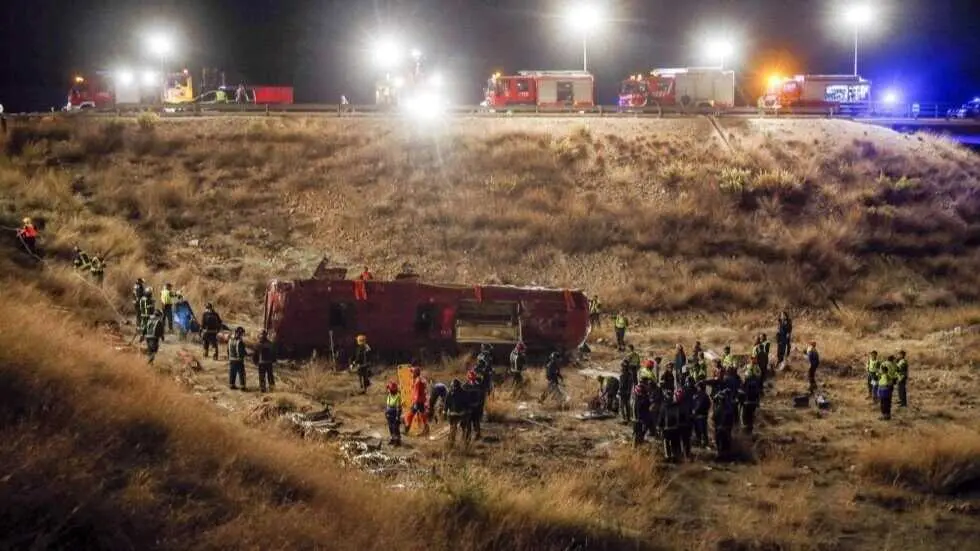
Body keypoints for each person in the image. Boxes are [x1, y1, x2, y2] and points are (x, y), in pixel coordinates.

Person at [658, 389, 684, 462]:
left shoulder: (664, 406)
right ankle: (676, 455)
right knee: (675, 442)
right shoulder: (676, 406)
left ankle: (668, 456)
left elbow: (661, 417)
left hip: (667, 428)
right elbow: (681, 416)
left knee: (666, 442)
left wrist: (659, 426)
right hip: (675, 427)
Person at [404, 366, 431, 436]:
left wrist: (415, 402)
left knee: (410, 415)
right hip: (421, 400)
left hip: (418, 401)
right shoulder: (421, 379)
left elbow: (417, 392)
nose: (412, 374)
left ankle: (407, 430)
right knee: (422, 415)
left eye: (413, 372)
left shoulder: (418, 381)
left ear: (416, 373)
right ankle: (426, 430)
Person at [444, 379, 471, 446]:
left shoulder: (460, 393)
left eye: (455, 386)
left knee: (461, 428)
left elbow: (467, 403)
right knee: (455, 428)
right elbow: (447, 403)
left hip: (459, 414)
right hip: (456, 414)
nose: (455, 387)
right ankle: (453, 442)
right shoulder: (451, 393)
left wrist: (445, 411)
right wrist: (445, 411)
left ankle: (462, 442)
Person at [712, 388, 736, 459]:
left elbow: (714, 418)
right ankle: (726, 454)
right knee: (726, 442)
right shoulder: (729, 407)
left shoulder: (719, 408)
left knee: (720, 441)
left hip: (721, 428)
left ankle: (721, 454)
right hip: (726, 428)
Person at [463, 370, 486, 439]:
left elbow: (482, 398)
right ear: (468, 377)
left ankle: (477, 435)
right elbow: (462, 397)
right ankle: (468, 437)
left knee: (476, 422)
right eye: (470, 376)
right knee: (468, 423)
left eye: (473, 375)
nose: (472, 377)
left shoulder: (478, 386)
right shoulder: (465, 386)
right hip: (468, 407)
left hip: (476, 407)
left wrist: (481, 406)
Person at [740, 364, 762, 434]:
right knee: (751, 416)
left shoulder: (746, 383)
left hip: (747, 403)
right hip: (754, 403)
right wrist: (758, 402)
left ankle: (746, 429)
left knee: (744, 416)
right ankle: (750, 429)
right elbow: (758, 392)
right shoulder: (756, 382)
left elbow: (742, 391)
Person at [691, 382, 712, 448]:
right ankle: (701, 442)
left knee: (701, 430)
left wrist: (695, 410)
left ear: (700, 387)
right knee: (701, 430)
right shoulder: (703, 395)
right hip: (701, 415)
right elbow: (708, 404)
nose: (697, 388)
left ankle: (703, 443)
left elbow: (699, 404)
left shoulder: (702, 395)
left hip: (700, 416)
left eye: (697, 387)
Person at [632, 379, 652, 446]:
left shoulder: (635, 399)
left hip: (637, 418)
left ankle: (635, 445)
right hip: (641, 418)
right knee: (639, 432)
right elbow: (647, 407)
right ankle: (638, 444)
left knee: (636, 433)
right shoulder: (644, 399)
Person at [878, 355, 898, 420]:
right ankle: (887, 414)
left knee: (883, 402)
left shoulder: (883, 364)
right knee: (888, 401)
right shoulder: (894, 365)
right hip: (889, 385)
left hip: (884, 389)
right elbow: (896, 372)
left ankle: (885, 415)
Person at [385, 382, 403, 446]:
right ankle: (392, 439)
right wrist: (386, 413)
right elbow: (387, 405)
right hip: (389, 413)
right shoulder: (389, 395)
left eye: (390, 389)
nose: (389, 390)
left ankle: (398, 441)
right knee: (390, 427)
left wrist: (397, 416)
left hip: (395, 413)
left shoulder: (398, 396)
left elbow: (398, 407)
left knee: (395, 428)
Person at [619, 357, 635, 424]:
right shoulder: (625, 373)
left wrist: (628, 391)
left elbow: (630, 384)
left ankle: (625, 419)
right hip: (623, 391)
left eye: (623, 366)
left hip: (625, 392)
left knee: (624, 405)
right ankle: (626, 418)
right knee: (624, 405)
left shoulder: (628, 374)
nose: (622, 367)